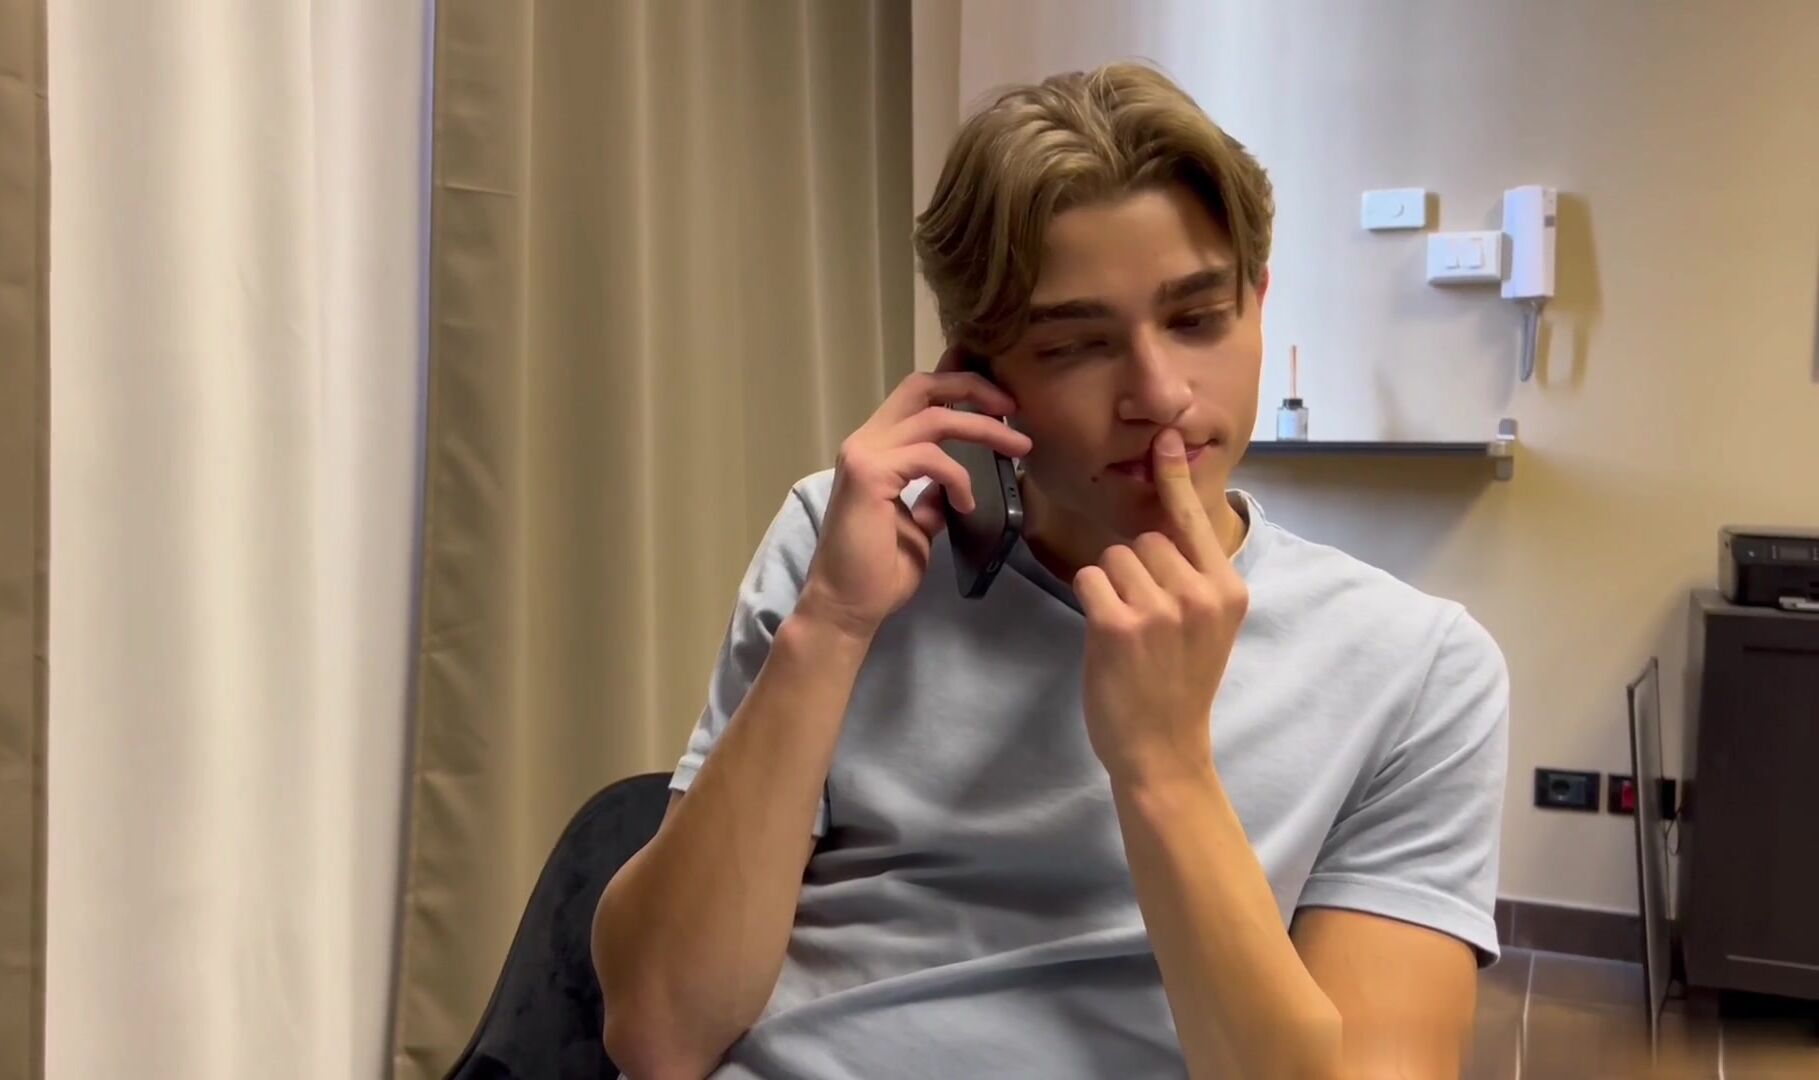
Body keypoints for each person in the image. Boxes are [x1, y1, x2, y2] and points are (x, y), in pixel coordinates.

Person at [594, 61, 1508, 1080]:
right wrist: (833, 625)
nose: (1158, 394)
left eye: (1197, 320)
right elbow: (658, 1031)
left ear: (1258, 302)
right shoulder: (843, 542)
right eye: (1076, 346)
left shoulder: (1417, 669)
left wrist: (1164, 768)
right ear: (978, 376)